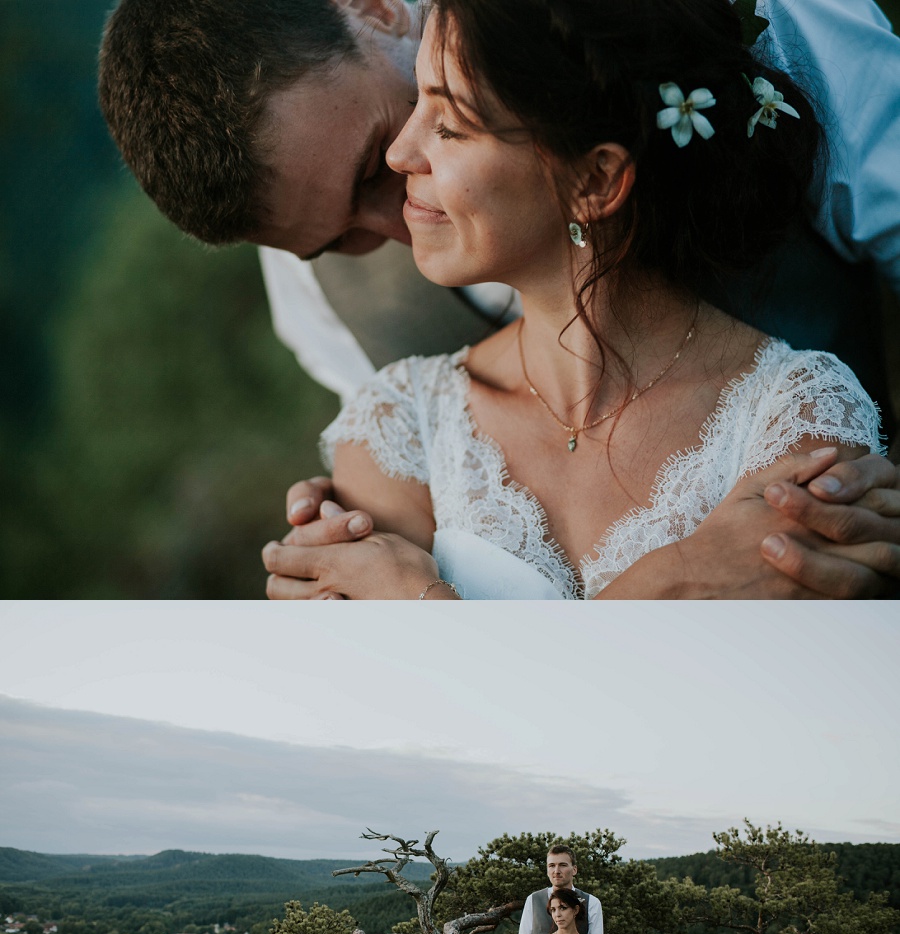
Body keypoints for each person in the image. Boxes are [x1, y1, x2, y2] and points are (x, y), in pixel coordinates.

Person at [97, 0, 900, 598]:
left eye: (376, 160)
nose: (399, 223)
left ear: (375, 11)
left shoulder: (778, 19)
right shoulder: (354, 345)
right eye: (341, 241)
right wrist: (346, 555)